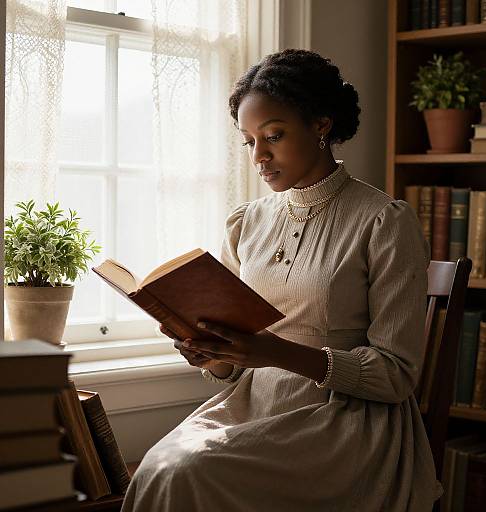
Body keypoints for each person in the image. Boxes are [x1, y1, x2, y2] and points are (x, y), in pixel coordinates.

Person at [121, 49, 442, 512]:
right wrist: (211, 352)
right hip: (254, 404)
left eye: (273, 135)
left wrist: (272, 352)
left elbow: (396, 375)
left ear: (320, 124)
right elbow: (234, 364)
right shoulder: (247, 222)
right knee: (160, 466)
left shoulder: (384, 222)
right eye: (248, 141)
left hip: (344, 419)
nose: (259, 156)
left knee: (189, 472)